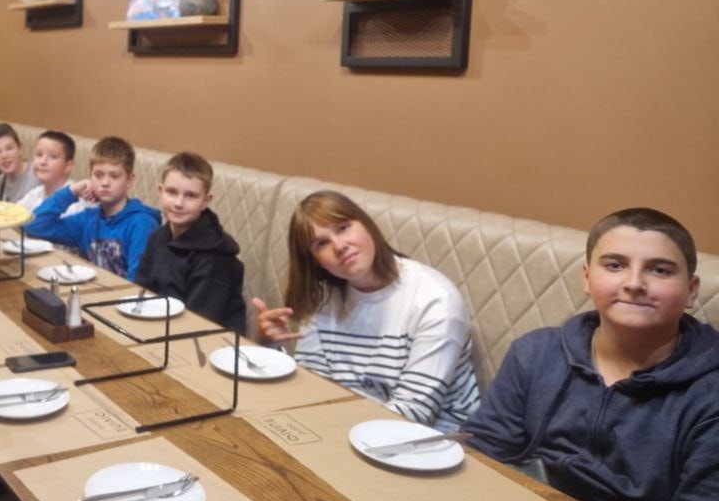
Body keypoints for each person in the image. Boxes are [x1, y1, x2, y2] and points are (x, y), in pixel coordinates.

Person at [452, 207, 719, 501]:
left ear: (691, 290)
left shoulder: (708, 395)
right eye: (615, 265)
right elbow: (483, 460)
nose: (634, 282)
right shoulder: (536, 354)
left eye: (659, 269)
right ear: (586, 278)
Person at [255, 190, 479, 430]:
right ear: (314, 260)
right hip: (344, 428)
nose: (339, 246)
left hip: (430, 438)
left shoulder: (436, 300)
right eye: (321, 243)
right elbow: (312, 388)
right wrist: (268, 346)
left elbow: (413, 414)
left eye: (343, 228)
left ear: (366, 224)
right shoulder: (323, 297)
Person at [135, 152, 246, 332]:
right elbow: (141, 292)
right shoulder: (157, 237)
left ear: (206, 201)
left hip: (207, 340)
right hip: (158, 329)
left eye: (191, 196)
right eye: (172, 192)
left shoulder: (215, 257)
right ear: (160, 191)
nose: (179, 203)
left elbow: (199, 324)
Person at [24, 135, 161, 279]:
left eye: (114, 176)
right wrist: (72, 191)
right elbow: (33, 225)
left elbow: (137, 280)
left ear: (130, 180)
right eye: (98, 175)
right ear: (90, 177)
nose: (105, 183)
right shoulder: (87, 219)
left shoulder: (142, 224)